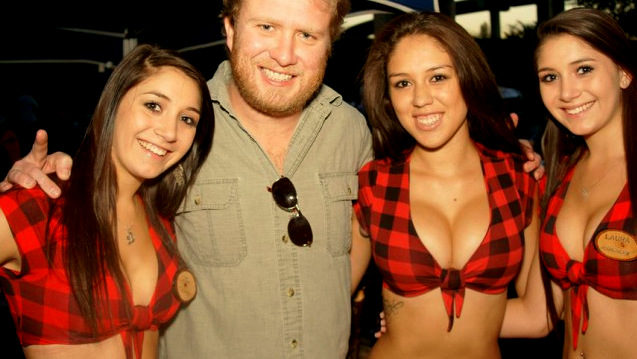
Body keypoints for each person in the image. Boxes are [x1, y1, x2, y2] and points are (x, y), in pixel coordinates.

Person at [1, 1, 544, 358]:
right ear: (230, 28)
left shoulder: (355, 134)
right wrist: (51, 170)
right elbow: (113, 178)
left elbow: (371, 245)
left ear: (329, 43)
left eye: (307, 34)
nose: (285, 54)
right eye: (266, 27)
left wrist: (507, 152)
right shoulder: (182, 130)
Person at [349, 12, 548, 358]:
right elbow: (331, 303)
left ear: (467, 79)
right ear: (388, 96)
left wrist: (466, 322)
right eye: (403, 83)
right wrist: (402, 321)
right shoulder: (374, 184)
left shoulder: (517, 178)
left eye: (437, 77)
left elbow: (537, 316)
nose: (421, 99)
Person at [0, 44, 214, 359]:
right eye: (154, 105)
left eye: (187, 119)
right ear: (113, 105)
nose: (170, 131)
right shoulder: (39, 206)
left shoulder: (162, 222)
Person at [536, 8, 637, 358]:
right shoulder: (559, 171)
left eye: (584, 69)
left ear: (624, 73)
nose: (567, 92)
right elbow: (544, 314)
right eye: (550, 77)